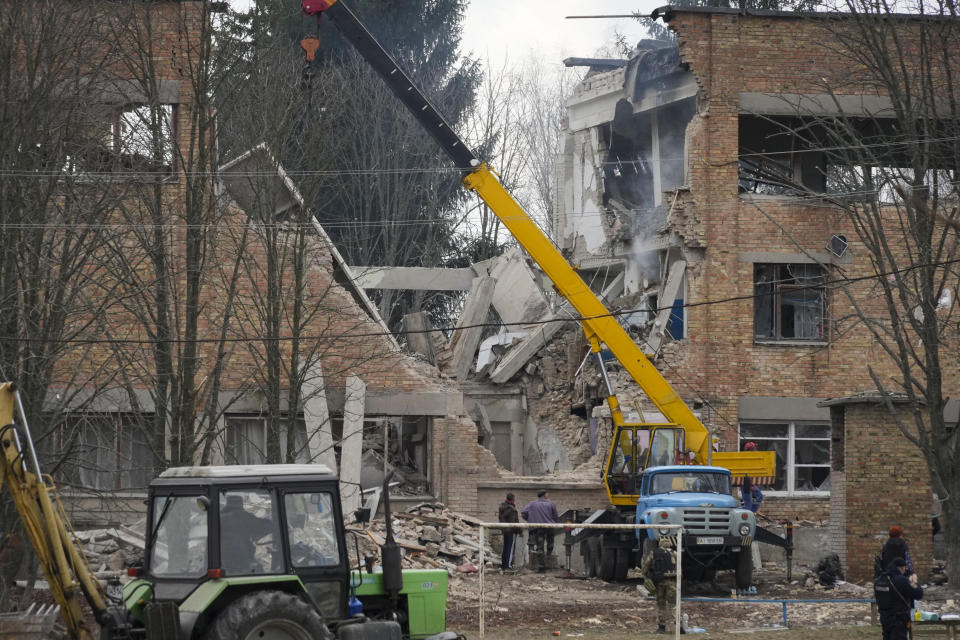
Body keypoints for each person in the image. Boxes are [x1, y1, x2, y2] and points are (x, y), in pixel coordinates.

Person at [220, 493, 277, 575]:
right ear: (240, 504)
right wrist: (273, 521)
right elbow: (261, 527)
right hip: (239, 559)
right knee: (258, 570)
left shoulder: (219, 517)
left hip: (221, 560)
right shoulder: (241, 516)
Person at [874, 556, 923, 640]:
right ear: (902, 568)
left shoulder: (879, 580)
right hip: (899, 619)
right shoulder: (901, 580)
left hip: (885, 619)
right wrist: (914, 582)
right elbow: (919, 593)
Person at [641, 537, 682, 635]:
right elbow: (679, 568)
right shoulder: (675, 553)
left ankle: (661, 627)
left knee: (661, 605)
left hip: (659, 583)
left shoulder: (654, 553)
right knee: (673, 605)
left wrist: (645, 575)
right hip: (672, 582)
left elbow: (646, 566)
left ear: (660, 544)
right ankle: (679, 626)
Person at [521, 489, 559, 573]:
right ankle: (548, 562)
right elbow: (556, 516)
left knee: (540, 547)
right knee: (550, 545)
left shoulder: (532, 504)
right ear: (545, 495)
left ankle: (542, 567)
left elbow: (523, 513)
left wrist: (530, 519)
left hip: (538, 528)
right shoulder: (551, 504)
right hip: (549, 527)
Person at [497, 492, 520, 571]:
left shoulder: (502, 507)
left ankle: (503, 565)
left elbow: (500, 518)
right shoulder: (512, 510)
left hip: (504, 529)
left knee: (505, 547)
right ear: (513, 499)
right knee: (510, 548)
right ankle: (508, 566)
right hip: (510, 530)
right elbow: (515, 522)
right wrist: (518, 531)